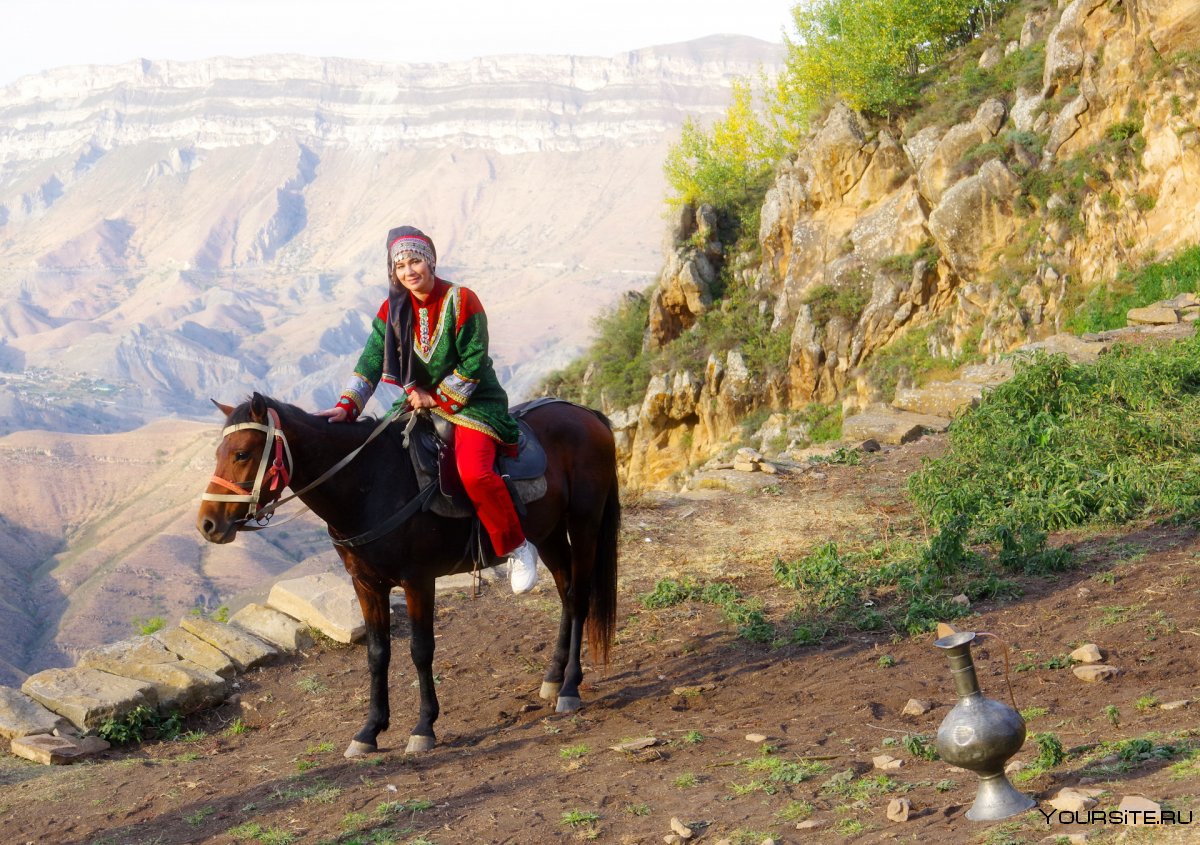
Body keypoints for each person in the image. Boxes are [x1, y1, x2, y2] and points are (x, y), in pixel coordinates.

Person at [316, 225, 540, 593]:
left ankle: (517, 546)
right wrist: (346, 406)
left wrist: (436, 398)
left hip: (473, 403)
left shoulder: (462, 300)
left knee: (474, 473)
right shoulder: (392, 309)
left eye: (415, 260)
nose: (409, 271)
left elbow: (474, 360)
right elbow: (371, 360)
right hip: (416, 400)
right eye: (400, 266)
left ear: (431, 261)